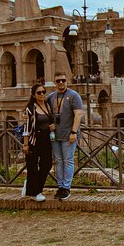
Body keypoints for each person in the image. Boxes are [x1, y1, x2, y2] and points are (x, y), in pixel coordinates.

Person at [46, 71, 83, 200]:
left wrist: (74, 132)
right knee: (59, 161)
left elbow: (78, 114)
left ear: (67, 81)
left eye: (63, 80)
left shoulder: (74, 95)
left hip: (69, 134)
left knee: (68, 160)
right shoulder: (51, 97)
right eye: (58, 81)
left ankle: (66, 187)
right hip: (55, 135)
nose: (61, 83)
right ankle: (60, 186)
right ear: (55, 82)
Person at [21, 84, 53, 202]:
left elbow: (50, 120)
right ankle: (36, 192)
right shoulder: (29, 108)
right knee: (33, 167)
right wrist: (25, 144)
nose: (42, 94)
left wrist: (52, 126)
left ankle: (31, 186)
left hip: (46, 140)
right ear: (34, 95)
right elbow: (26, 127)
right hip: (33, 140)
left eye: (43, 92)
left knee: (47, 165)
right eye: (39, 92)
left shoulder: (47, 106)